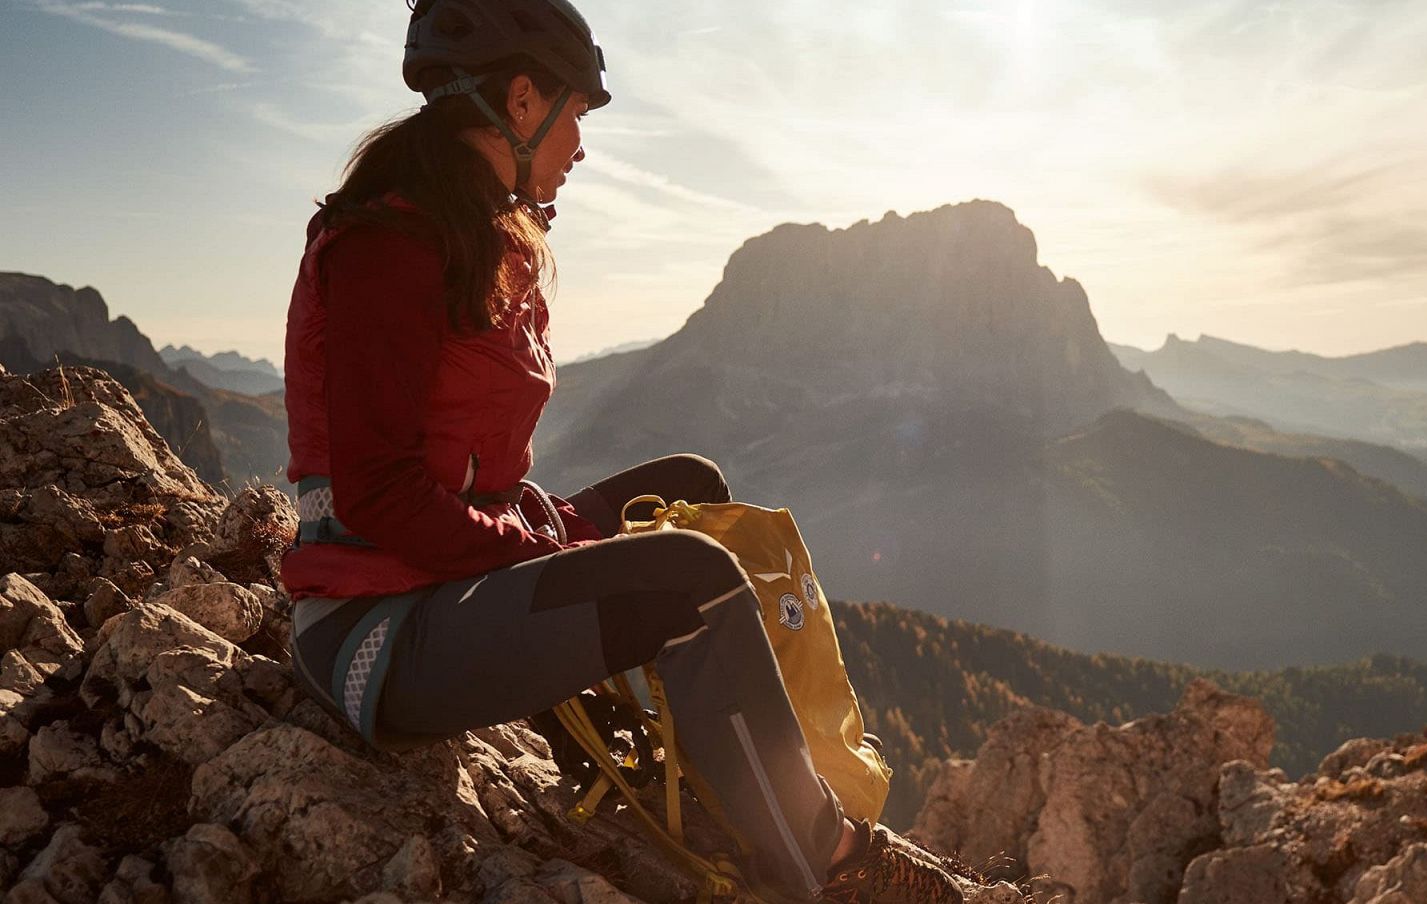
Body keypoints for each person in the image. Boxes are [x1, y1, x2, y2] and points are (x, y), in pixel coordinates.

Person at [278, 2, 969, 901]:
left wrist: (548, 532)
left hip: (440, 582)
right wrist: (546, 549)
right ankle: (824, 863)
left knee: (691, 486)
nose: (580, 142)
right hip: (378, 632)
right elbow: (376, 496)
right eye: (574, 114)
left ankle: (689, 756)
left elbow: (461, 470)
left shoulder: (459, 224)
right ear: (519, 101)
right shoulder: (389, 245)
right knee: (688, 581)